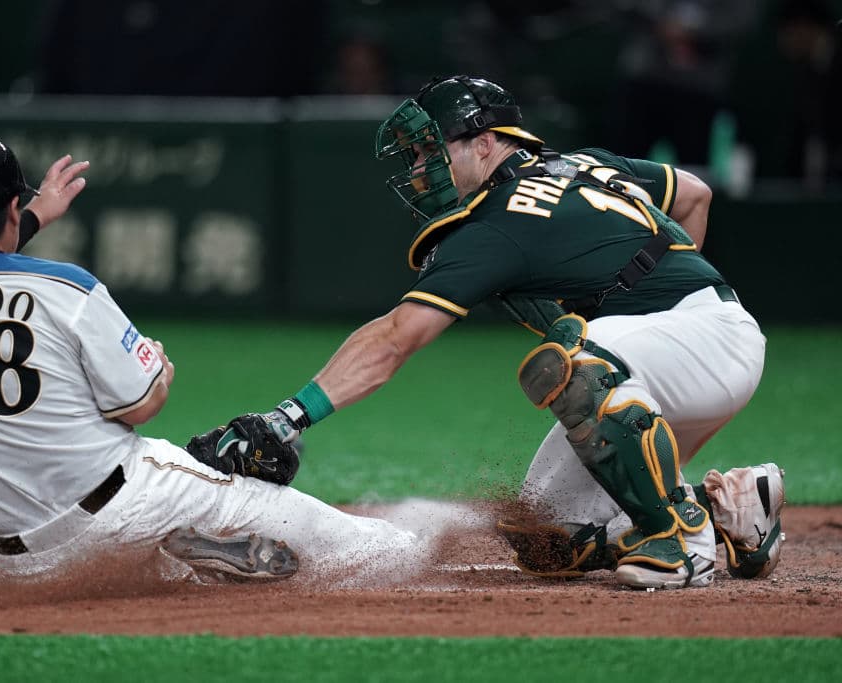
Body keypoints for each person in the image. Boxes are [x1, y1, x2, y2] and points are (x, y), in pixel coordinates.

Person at [186, 75, 785, 590]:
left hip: (695, 343)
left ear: (486, 142)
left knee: (574, 367)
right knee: (548, 539)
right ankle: (733, 510)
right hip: (689, 343)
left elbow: (397, 337)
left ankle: (679, 542)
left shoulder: (496, 225)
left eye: (430, 150)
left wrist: (287, 418)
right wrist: (658, 307)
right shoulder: (584, 164)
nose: (420, 168)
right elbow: (695, 195)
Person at [0, 134, 439, 583]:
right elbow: (143, 404)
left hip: (20, 559)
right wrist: (159, 366)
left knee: (169, 578)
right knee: (380, 554)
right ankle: (403, 542)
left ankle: (207, 554)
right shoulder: (69, 288)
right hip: (125, 506)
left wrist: (33, 215)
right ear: (13, 208)